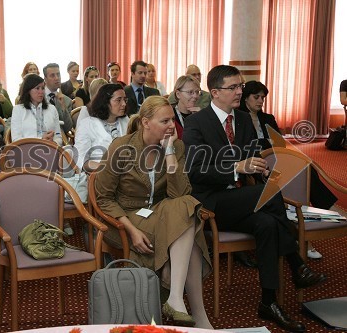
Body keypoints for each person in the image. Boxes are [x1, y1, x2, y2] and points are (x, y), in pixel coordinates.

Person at [183, 65, 326, 332]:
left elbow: (252, 160)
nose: (240, 91)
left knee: (268, 224)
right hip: (211, 202)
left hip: (240, 197)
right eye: (234, 87)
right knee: (267, 195)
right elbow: (195, 171)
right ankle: (296, 263)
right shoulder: (196, 123)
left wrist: (259, 168)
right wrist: (237, 168)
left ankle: (269, 301)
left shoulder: (244, 119)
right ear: (214, 92)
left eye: (240, 86)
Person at [95, 95, 212, 328]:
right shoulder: (122, 147)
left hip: (160, 211)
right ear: (146, 122)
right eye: (165, 121)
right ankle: (198, 316)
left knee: (186, 204)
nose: (171, 126)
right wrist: (131, 230)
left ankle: (176, 298)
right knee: (192, 237)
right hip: (124, 216)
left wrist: (169, 153)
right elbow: (103, 198)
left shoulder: (176, 146)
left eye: (172, 120)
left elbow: (180, 194)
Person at [241, 80, 338, 259]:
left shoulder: (267, 118)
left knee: (306, 169)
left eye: (263, 97)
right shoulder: (239, 118)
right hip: (256, 162)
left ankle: (317, 217)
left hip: (276, 157)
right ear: (246, 98)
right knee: (290, 177)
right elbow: (244, 147)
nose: (260, 101)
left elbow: (279, 143)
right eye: (256, 97)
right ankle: (303, 233)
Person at [74, 84, 129, 172]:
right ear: (106, 102)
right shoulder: (87, 124)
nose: (124, 104)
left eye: (125, 100)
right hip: (98, 175)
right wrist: (107, 169)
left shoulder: (126, 121)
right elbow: (80, 158)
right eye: (118, 100)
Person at [10, 74, 62, 145]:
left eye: (43, 88)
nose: (41, 92)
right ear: (28, 90)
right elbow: (16, 140)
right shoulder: (18, 110)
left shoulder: (52, 109)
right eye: (37, 88)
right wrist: (41, 140)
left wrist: (54, 142)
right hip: (27, 151)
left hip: (51, 149)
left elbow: (58, 137)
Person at [43, 63, 73, 134]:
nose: (57, 78)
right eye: (52, 75)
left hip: (59, 139)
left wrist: (63, 106)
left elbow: (68, 127)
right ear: (45, 79)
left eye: (58, 74)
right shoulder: (38, 96)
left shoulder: (67, 100)